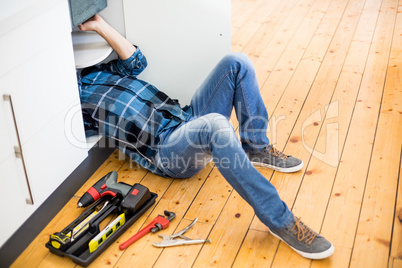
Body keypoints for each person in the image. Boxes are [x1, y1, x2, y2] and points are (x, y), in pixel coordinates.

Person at [77, 14, 334, 259]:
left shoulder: (98, 70)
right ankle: (280, 220)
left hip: (185, 116)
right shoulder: (74, 101)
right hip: (167, 150)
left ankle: (256, 147)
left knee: (237, 61)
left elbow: (136, 62)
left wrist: (100, 25)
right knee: (215, 126)